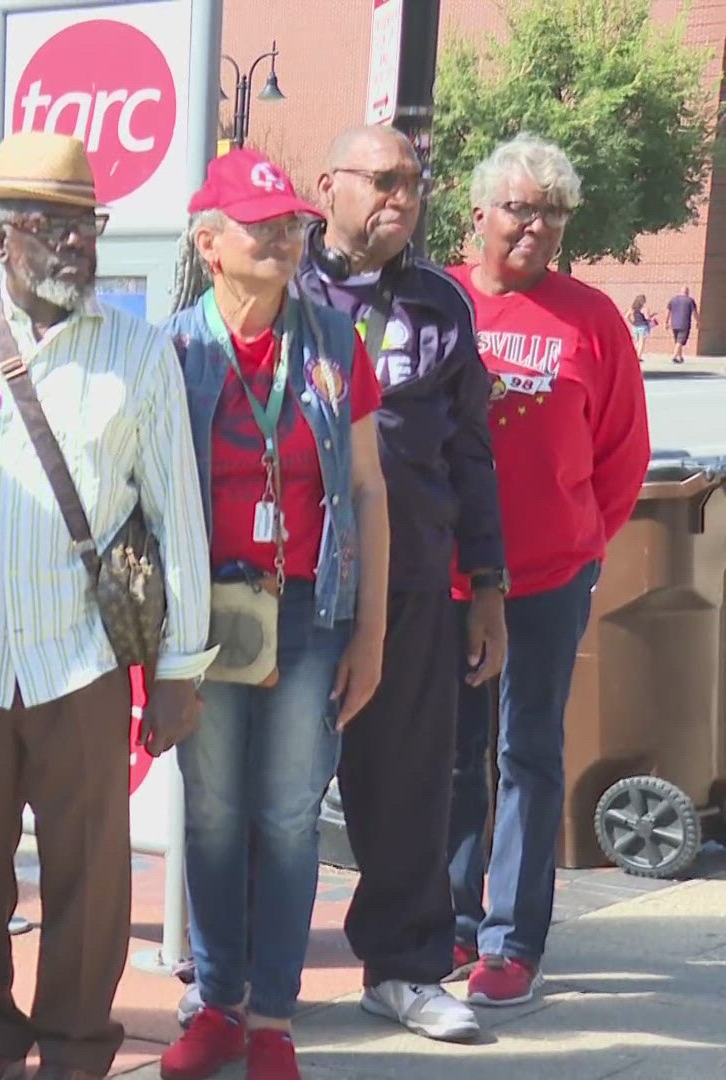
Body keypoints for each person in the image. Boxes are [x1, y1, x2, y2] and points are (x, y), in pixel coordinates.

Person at [0, 132, 212, 1080]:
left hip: (83, 658)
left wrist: (182, 668)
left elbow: (175, 514)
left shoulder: (138, 354)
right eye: (51, 225)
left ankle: (75, 1043)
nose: (76, 243)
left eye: (88, 223)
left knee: (90, 874)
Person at [158, 148, 390, 1080]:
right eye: (264, 225)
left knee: (290, 817)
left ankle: (273, 1020)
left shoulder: (336, 342)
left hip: (309, 614)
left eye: (293, 222)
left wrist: (370, 633)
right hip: (204, 617)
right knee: (213, 814)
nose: (287, 237)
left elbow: (369, 490)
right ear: (209, 243)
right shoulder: (172, 350)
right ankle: (217, 1003)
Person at [298, 125, 505, 1043]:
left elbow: (470, 449)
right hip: (287, 585)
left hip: (417, 577)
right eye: (381, 180)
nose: (402, 198)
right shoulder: (276, 282)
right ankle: (240, 982)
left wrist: (489, 585)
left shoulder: (442, 305)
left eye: (414, 184)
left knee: (408, 785)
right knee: (270, 792)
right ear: (328, 185)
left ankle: (405, 969)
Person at [448, 134, 650, 1007]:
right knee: (452, 757)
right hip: (446, 579)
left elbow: (623, 452)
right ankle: (448, 923)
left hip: (547, 578)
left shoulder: (592, 319)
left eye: (555, 213)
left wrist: (581, 544)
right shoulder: (439, 302)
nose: (538, 227)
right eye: (522, 209)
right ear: (479, 216)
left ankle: (511, 941)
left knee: (525, 752)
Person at [666, 286, 696, 362]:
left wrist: (666, 321)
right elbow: (695, 312)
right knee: (680, 341)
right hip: (684, 323)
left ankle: (680, 356)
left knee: (677, 341)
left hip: (674, 323)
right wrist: (698, 321)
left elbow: (668, 311)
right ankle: (674, 356)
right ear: (687, 292)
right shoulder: (690, 300)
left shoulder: (673, 300)